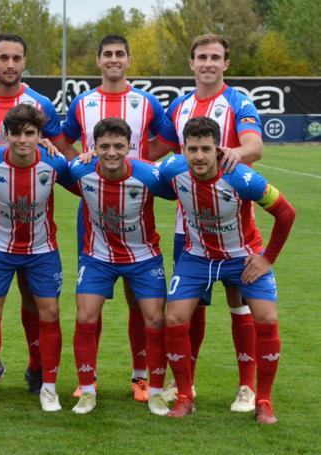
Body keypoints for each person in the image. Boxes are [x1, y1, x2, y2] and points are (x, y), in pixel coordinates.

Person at [62, 34, 177, 401]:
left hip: (136, 205)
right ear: (98, 60)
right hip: (94, 209)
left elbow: (166, 140)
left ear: (129, 60)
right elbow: (65, 141)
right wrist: (83, 158)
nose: (113, 59)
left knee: (138, 300)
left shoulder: (146, 103)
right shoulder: (82, 102)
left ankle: (140, 377)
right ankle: (87, 380)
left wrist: (143, 164)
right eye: (107, 54)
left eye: (119, 54)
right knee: (88, 301)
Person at [159, 116, 295, 424]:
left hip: (242, 259)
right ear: (183, 149)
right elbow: (135, 174)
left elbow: (286, 213)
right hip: (197, 258)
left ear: (218, 148)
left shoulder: (243, 178)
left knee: (267, 317)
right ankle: (184, 396)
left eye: (206, 149)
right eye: (192, 149)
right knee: (174, 318)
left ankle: (263, 400)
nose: (199, 157)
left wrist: (267, 259)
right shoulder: (171, 171)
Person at [156, 34, 265, 412]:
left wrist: (235, 151)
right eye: (201, 57)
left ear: (225, 64)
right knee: (191, 307)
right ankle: (187, 383)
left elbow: (255, 145)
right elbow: (160, 152)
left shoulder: (238, 101)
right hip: (188, 226)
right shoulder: (180, 106)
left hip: (234, 223)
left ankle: (246, 388)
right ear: (191, 63)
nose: (208, 63)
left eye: (215, 57)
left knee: (240, 304)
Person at [0, 33, 73, 394]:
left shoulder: (40, 104)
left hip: (32, 212)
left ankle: (37, 365)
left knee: (31, 292)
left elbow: (60, 150)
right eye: (3, 57)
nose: (10, 64)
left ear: (25, 63)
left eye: (17, 58)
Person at [68, 118, 172, 415]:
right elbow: (50, 169)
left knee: (154, 319)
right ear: (93, 147)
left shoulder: (150, 175)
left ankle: (152, 389)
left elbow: (183, 188)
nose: (111, 152)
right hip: (98, 258)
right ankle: (86, 391)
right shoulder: (79, 169)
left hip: (143, 258)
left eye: (118, 146)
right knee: (86, 317)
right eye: (104, 146)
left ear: (130, 147)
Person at [0, 104, 70, 412]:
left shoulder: (55, 163)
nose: (23, 140)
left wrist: (90, 156)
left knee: (50, 312)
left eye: (30, 133)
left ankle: (49, 387)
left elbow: (88, 177)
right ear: (6, 136)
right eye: (16, 134)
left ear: (40, 136)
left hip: (41, 250)